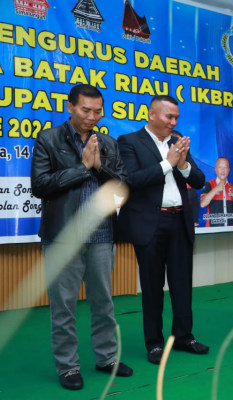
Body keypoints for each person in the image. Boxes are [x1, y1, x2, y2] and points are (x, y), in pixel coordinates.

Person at [31, 84, 133, 390]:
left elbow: (123, 185)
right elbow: (40, 186)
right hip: (62, 236)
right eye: (85, 110)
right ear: (70, 107)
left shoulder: (108, 143)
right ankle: (68, 366)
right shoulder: (48, 139)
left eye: (97, 111)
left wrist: (100, 168)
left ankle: (107, 358)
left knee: (104, 303)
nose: (92, 116)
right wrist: (82, 167)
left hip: (101, 235)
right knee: (64, 306)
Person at [117, 95, 209, 364]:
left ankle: (183, 336)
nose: (174, 122)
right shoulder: (130, 142)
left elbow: (200, 180)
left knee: (182, 283)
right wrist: (168, 163)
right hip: (150, 223)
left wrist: (183, 165)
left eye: (176, 117)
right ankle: (154, 343)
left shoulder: (176, 141)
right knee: (152, 285)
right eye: (169, 116)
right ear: (152, 115)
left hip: (179, 221)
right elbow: (131, 180)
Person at [172, 130, 201, 226]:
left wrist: (183, 166)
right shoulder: (157, 167)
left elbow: (200, 181)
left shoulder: (188, 166)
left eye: (182, 145)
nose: (179, 148)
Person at [201, 157, 233, 227]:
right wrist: (217, 188)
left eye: (225, 167)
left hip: (229, 231)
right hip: (212, 231)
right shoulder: (209, 184)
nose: (223, 170)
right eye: (220, 167)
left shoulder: (232, 188)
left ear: (229, 170)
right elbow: (202, 204)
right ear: (216, 169)